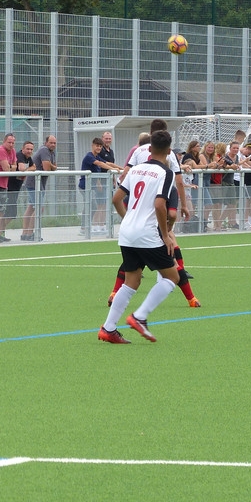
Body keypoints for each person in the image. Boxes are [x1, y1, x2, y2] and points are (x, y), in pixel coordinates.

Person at [98, 129, 181, 344]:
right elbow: (160, 205)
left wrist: (128, 219)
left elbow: (116, 199)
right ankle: (139, 316)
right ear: (169, 151)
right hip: (147, 233)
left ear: (150, 149)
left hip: (127, 232)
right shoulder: (166, 173)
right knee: (172, 277)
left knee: (131, 281)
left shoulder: (135, 169)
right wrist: (165, 235)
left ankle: (108, 328)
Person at [20, 135, 57, 241]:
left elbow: (54, 167)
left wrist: (52, 165)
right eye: (51, 142)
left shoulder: (52, 152)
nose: (53, 145)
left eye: (54, 143)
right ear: (46, 142)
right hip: (34, 183)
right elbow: (47, 169)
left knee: (31, 207)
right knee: (39, 207)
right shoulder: (44, 150)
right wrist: (51, 166)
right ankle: (30, 233)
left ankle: (25, 233)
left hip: (39, 183)